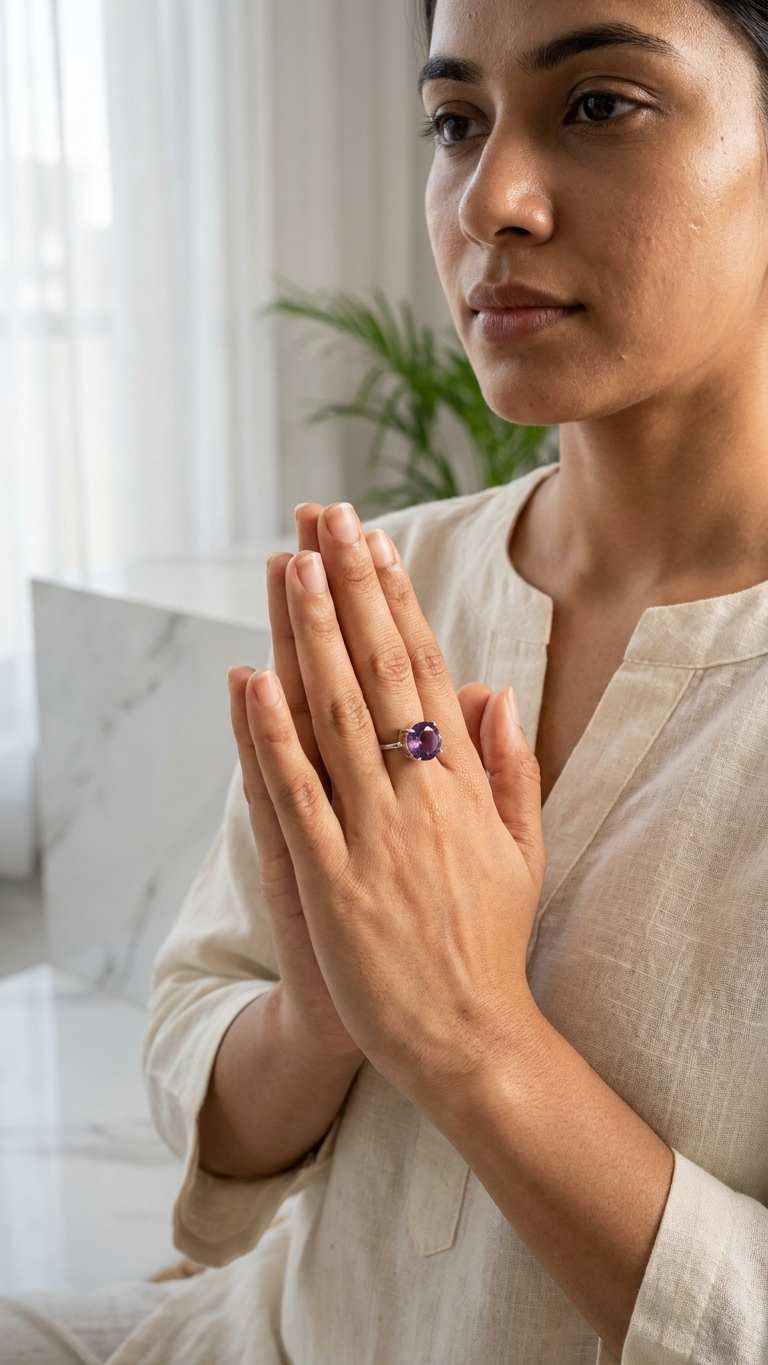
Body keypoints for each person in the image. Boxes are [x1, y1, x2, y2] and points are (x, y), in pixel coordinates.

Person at [5, 0, 768, 1359]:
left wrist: (469, 1034)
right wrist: (320, 1012)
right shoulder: (387, 582)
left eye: (599, 104)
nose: (494, 199)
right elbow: (199, 1049)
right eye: (455, 124)